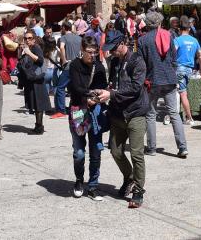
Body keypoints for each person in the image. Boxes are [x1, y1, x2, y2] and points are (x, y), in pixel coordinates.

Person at [97, 41, 149, 208]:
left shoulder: (137, 61)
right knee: (115, 150)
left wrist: (111, 94)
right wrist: (105, 90)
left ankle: (139, 190)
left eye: (113, 49)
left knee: (136, 154)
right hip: (118, 114)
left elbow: (135, 88)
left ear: (121, 44)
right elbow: (113, 83)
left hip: (136, 114)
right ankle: (130, 177)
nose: (111, 53)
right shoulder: (114, 61)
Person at [140, 11, 187, 158]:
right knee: (174, 113)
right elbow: (174, 58)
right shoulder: (169, 35)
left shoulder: (143, 40)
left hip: (152, 81)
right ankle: (182, 147)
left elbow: (141, 64)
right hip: (169, 79)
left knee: (150, 115)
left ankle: (152, 148)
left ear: (147, 25)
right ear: (159, 23)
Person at [68, 36, 109, 201]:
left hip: (95, 110)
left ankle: (93, 186)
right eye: (89, 52)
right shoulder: (75, 65)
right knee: (79, 151)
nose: (92, 56)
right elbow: (76, 87)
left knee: (95, 150)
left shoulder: (98, 66)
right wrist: (88, 96)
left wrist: (97, 99)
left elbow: (104, 87)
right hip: (78, 109)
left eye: (94, 52)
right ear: (82, 50)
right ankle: (79, 180)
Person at [173, 16, 201, 126]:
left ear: (179, 29)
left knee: (182, 94)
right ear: (189, 29)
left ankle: (189, 118)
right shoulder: (194, 40)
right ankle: (179, 115)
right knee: (182, 92)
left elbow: (172, 54)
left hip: (179, 69)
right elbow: (200, 57)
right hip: (190, 70)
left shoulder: (177, 40)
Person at [19, 30, 51, 133]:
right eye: (26, 38)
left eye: (30, 38)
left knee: (39, 103)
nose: (27, 40)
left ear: (34, 39)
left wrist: (29, 53)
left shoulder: (36, 48)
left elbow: (40, 60)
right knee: (34, 103)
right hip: (30, 79)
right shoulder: (27, 48)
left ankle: (39, 127)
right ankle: (37, 125)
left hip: (37, 79)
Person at [56, 21, 83, 117]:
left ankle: (61, 110)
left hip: (68, 65)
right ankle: (77, 109)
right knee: (75, 88)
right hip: (78, 65)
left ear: (64, 28)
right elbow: (82, 51)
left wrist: (64, 60)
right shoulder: (79, 38)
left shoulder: (63, 38)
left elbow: (62, 48)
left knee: (60, 87)